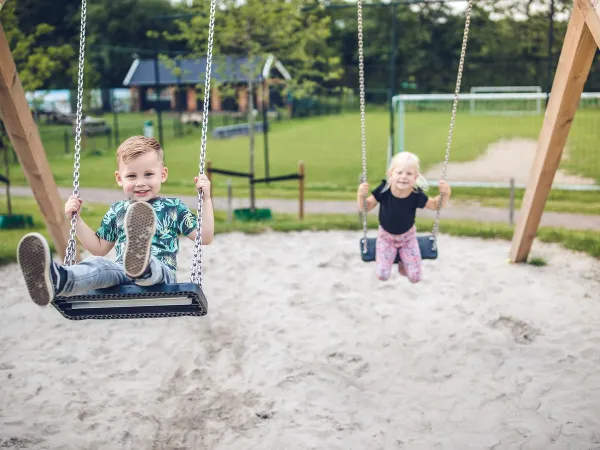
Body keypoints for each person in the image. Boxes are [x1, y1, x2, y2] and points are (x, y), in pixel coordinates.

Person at [17, 135, 214, 306]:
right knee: (99, 264)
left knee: (152, 266)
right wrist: (75, 220)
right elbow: (99, 247)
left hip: (162, 276)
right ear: (119, 179)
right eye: (131, 176)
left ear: (162, 175)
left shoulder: (173, 206)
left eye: (148, 174)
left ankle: (143, 266)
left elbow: (204, 237)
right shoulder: (118, 210)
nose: (140, 182)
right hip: (122, 273)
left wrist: (205, 198)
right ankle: (58, 280)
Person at [356, 151, 451, 283]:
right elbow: (365, 207)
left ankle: (403, 263)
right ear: (390, 174)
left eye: (409, 173)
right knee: (382, 275)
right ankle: (400, 257)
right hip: (386, 238)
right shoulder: (384, 190)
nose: (403, 177)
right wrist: (361, 195)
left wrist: (445, 194)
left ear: (416, 177)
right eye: (399, 172)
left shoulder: (416, 194)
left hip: (408, 238)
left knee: (415, 277)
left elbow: (435, 204)